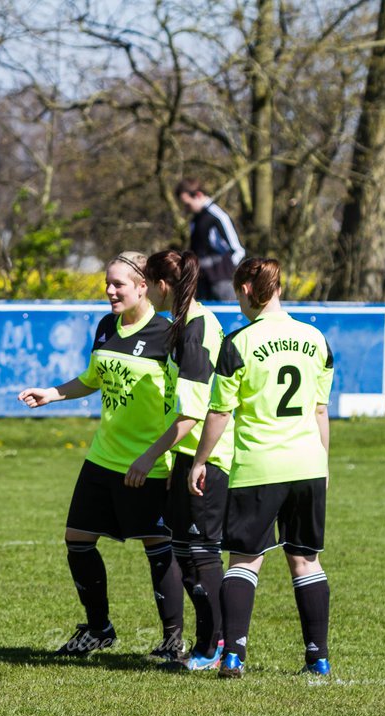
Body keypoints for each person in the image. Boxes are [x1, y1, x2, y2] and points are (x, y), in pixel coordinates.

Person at [18, 252, 184, 660]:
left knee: (157, 544)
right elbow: (94, 377)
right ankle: (98, 629)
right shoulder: (106, 326)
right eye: (107, 284)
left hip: (148, 461)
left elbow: (188, 401)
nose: (110, 291)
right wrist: (54, 393)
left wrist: (157, 456)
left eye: (119, 285)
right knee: (77, 540)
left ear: (143, 286)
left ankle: (172, 640)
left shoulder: (168, 334)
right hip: (103, 456)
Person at [190, 257, 334, 679]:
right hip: (308, 463)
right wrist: (322, 464)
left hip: (260, 465)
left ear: (247, 291)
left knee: (244, 560)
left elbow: (219, 412)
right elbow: (321, 410)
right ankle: (318, 658)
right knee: (306, 560)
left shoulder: (238, 343)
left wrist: (200, 460)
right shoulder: (316, 339)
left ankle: (233, 655)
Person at [126, 249, 234, 670]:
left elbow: (192, 413)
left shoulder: (196, 329)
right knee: (186, 555)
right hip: (187, 458)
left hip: (206, 457)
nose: (147, 291)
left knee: (201, 554)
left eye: (148, 283)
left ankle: (216, 645)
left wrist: (149, 457)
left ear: (161, 286)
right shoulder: (186, 323)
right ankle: (212, 642)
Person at [176, 178, 245, 301]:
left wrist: (225, 271)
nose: (186, 209)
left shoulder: (218, 216)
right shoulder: (195, 220)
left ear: (198, 195)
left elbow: (238, 250)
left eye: (187, 204)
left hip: (222, 282)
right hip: (201, 281)